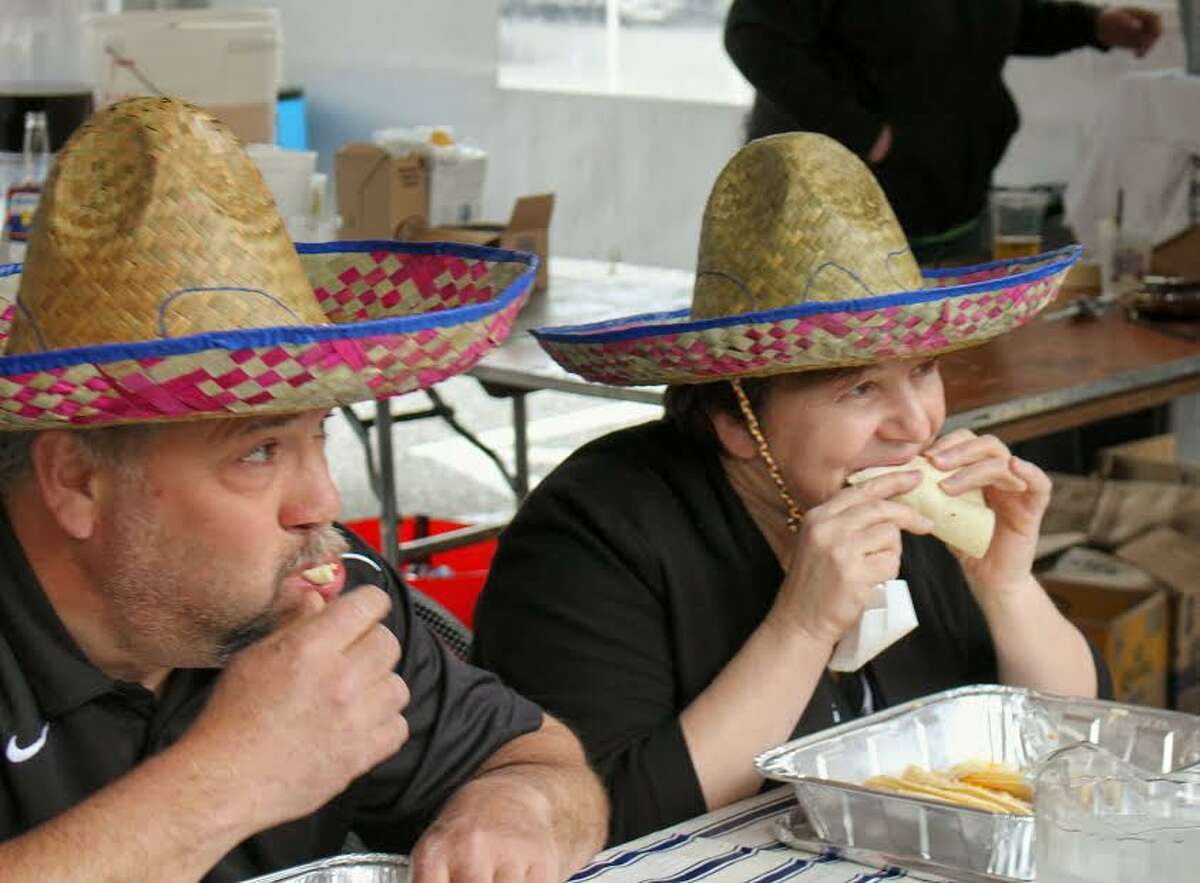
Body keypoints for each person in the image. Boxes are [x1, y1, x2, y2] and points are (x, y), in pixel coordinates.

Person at [0, 97, 607, 882]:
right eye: (258, 452)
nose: (320, 502)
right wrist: (236, 772)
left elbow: (540, 757)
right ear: (76, 480)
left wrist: (509, 809)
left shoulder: (313, 589)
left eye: (317, 436)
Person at [472, 132, 1110, 846]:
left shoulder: (911, 517)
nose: (916, 423)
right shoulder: (590, 534)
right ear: (735, 419)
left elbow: (1070, 745)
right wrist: (800, 628)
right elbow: (610, 818)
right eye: (861, 386)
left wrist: (1008, 586)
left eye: (924, 370)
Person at [723, 1, 1162, 263]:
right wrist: (865, 135)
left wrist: (1093, 26)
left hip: (949, 211)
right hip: (829, 222)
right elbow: (754, 37)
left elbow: (1003, 16)